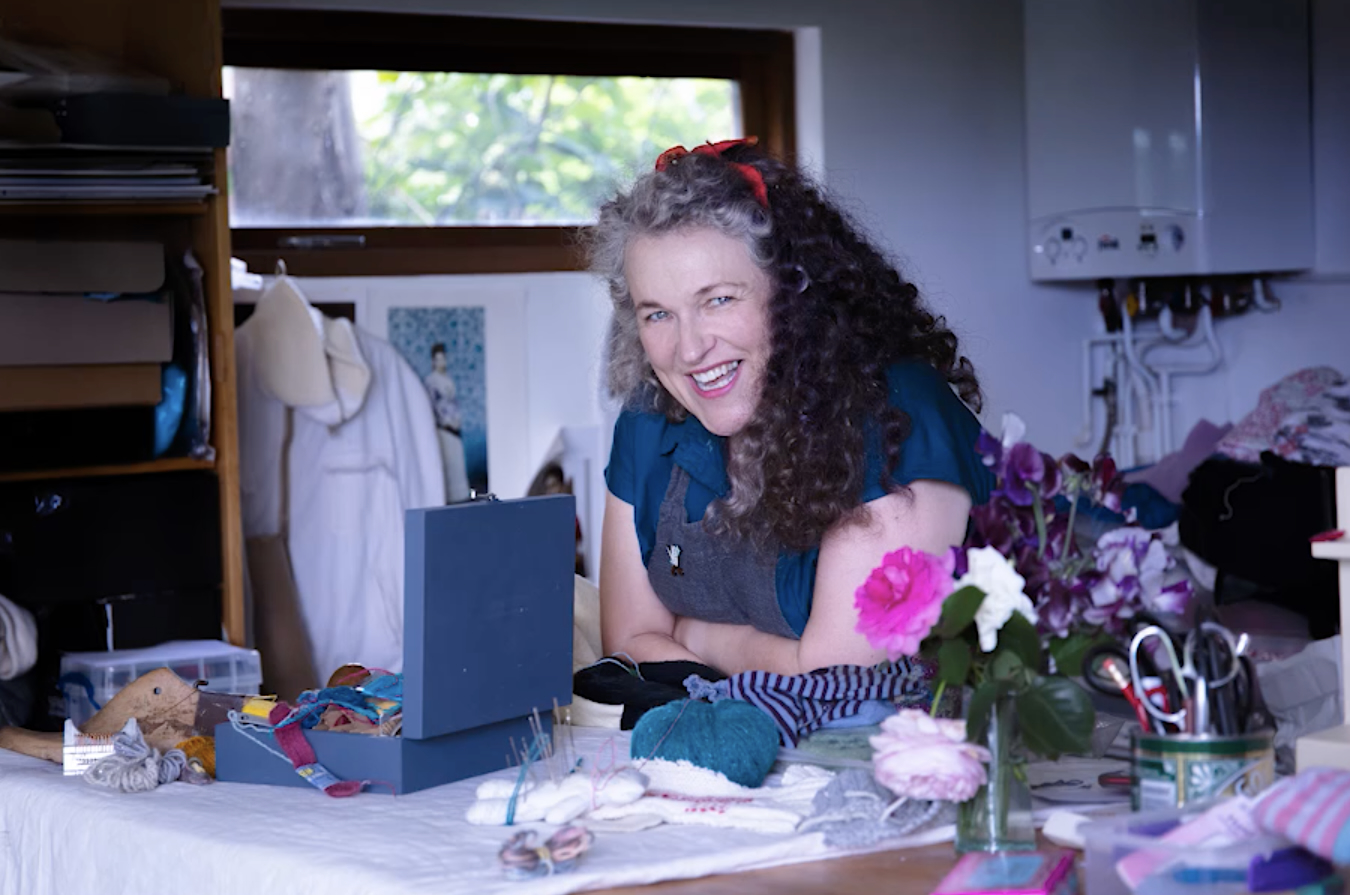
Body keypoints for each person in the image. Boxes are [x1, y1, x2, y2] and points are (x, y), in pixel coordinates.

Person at [588, 138, 993, 678]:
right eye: (657, 314)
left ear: (792, 293)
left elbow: (845, 681)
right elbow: (630, 643)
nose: (688, 350)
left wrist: (693, 635)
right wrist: (778, 659)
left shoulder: (898, 417)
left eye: (719, 300)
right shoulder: (650, 417)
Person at [424, 343, 471, 503]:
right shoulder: (431, 381)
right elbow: (433, 406)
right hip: (443, 430)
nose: (441, 362)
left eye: (443, 359)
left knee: (457, 467)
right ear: (433, 361)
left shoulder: (448, 379)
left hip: (455, 429)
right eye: (438, 359)